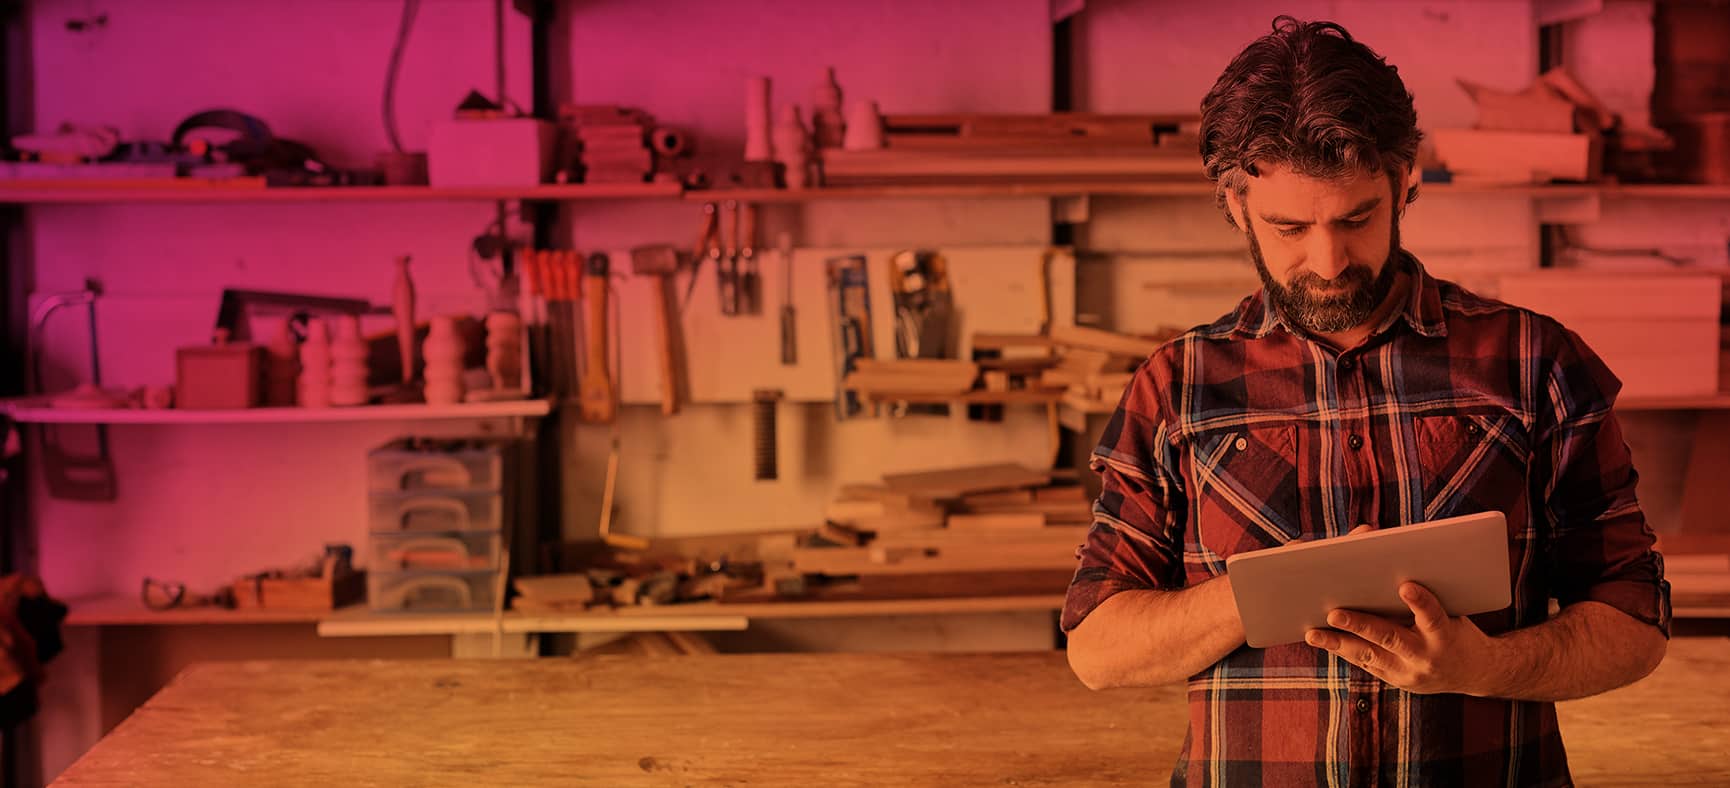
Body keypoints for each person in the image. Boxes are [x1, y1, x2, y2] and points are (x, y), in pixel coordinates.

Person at [1062, 16, 1670, 788]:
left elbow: (1635, 623)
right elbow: (1096, 650)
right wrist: (1262, 594)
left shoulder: (1534, 363)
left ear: (1405, 180)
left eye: (1357, 218)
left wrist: (1485, 667)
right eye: (1288, 226)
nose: (1328, 261)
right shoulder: (1177, 384)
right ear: (1234, 203)